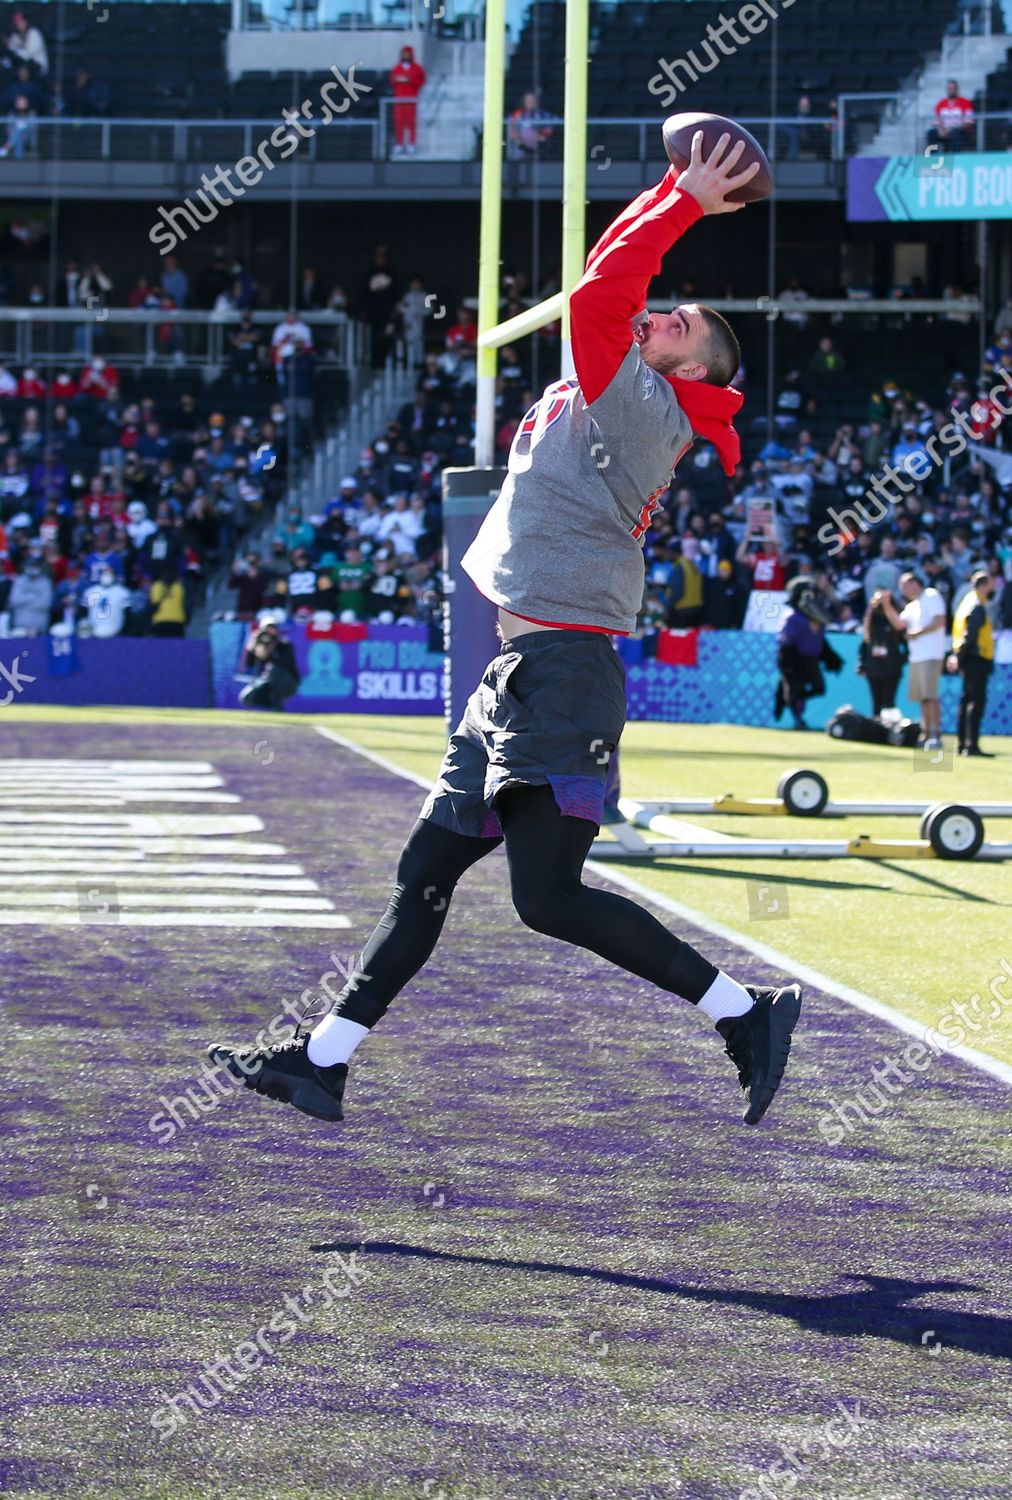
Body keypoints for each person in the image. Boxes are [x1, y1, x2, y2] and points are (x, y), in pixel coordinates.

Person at [209, 131, 802, 1129]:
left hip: (563, 668)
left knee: (548, 900)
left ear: (691, 365)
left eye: (680, 322)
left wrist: (688, 202)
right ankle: (323, 1060)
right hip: (517, 671)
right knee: (424, 876)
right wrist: (668, 187)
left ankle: (743, 1013)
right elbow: (609, 271)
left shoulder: (648, 401)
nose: (662, 317)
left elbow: (601, 290)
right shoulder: (620, 380)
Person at [882, 571, 946, 751]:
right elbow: (899, 624)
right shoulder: (912, 606)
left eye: (904, 586)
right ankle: (926, 733)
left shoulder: (931, 595)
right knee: (922, 698)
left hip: (931, 654)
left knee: (930, 696)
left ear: (914, 584)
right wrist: (886, 605)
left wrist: (918, 633)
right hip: (917, 656)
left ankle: (935, 734)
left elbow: (939, 621)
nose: (903, 591)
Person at [774, 573, 843, 729]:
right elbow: (785, 642)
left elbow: (821, 641)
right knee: (794, 687)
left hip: (810, 659)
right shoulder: (792, 617)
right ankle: (797, 718)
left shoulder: (818, 616)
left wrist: (830, 658)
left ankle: (793, 698)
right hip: (794, 659)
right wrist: (787, 662)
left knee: (818, 688)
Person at [948, 570, 996, 757]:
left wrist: (957, 656)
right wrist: (959, 658)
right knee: (976, 702)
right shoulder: (977, 606)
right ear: (983, 586)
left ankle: (962, 743)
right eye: (991, 585)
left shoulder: (966, 602)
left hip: (967, 657)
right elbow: (971, 635)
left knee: (966, 700)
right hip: (976, 659)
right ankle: (971, 744)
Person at [859, 590, 906, 715]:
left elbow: (905, 644)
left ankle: (888, 729)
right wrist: (862, 664)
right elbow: (865, 644)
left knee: (889, 702)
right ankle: (876, 730)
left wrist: (900, 660)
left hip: (891, 667)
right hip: (874, 667)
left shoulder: (896, 621)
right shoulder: (871, 621)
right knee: (876, 701)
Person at [238, 617, 299, 710]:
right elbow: (249, 664)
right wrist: (254, 647)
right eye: (267, 629)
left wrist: (269, 651)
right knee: (247, 697)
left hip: (288, 683)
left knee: (275, 671)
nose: (270, 632)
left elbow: (283, 664)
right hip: (268, 683)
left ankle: (277, 706)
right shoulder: (259, 643)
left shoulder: (284, 645)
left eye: (273, 629)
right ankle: (273, 706)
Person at [389, 44, 426, 159]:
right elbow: (393, 80)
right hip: (399, 98)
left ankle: (411, 143)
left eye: (408, 54)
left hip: (411, 98)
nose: (406, 56)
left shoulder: (417, 68)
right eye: (404, 54)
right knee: (399, 121)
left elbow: (421, 80)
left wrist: (408, 81)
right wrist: (402, 80)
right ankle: (400, 143)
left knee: (410, 121)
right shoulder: (397, 68)